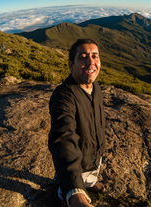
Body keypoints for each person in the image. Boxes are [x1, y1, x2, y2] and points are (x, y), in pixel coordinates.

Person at [48, 39, 105, 207]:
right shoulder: (63, 96)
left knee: (92, 175)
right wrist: (76, 194)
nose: (91, 62)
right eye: (83, 57)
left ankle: (90, 182)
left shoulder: (96, 88)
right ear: (71, 64)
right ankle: (68, 190)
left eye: (95, 56)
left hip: (94, 157)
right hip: (76, 165)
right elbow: (63, 139)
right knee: (68, 190)